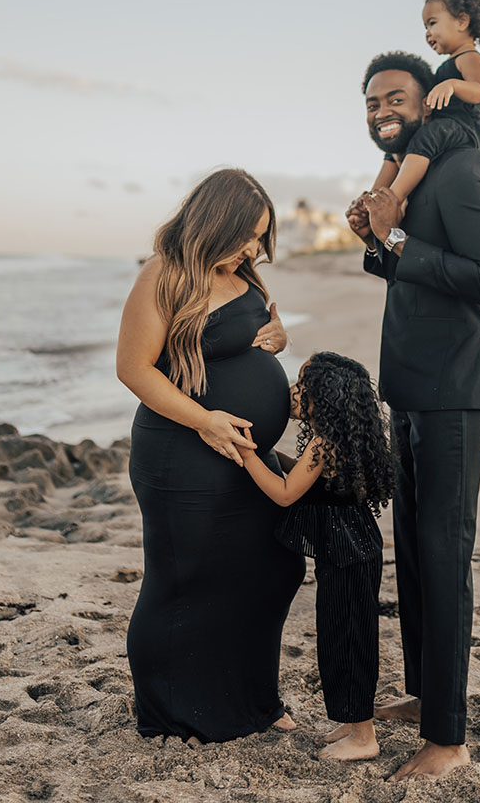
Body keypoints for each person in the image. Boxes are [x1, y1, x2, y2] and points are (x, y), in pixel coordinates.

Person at [346, 52, 480, 783]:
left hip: (459, 381)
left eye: (394, 97)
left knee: (443, 553)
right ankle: (425, 697)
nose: (380, 109)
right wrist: (376, 236)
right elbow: (399, 266)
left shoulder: (465, 167)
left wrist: (396, 239)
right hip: (410, 384)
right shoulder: (407, 176)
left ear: (431, 103)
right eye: (370, 101)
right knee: (413, 549)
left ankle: (447, 738)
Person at [116, 168, 305, 744]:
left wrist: (277, 338)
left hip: (244, 455)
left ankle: (252, 698)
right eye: (247, 235)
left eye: (261, 236)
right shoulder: (165, 274)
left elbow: (253, 335)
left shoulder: (241, 274)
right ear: (212, 222)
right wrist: (206, 421)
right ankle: (171, 711)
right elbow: (133, 368)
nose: (254, 248)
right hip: (182, 455)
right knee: (184, 580)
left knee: (267, 570)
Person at [237, 351, 393, 763]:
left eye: (303, 385)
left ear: (324, 397)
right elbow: (306, 479)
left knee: (347, 640)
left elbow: (286, 493)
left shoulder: (325, 444)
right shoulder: (342, 437)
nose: (293, 390)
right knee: (343, 635)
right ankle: (351, 720)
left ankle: (364, 736)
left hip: (347, 553)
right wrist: (273, 458)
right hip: (354, 547)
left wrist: (248, 455)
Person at [371, 0, 480, 206]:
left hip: (469, 128)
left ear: (462, 21)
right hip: (447, 128)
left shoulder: (470, 57)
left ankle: (394, 198)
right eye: (425, 26)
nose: (427, 33)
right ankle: (375, 197)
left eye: (433, 23)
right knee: (405, 139)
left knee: (426, 136)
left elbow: (479, 91)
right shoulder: (447, 65)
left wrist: (452, 85)